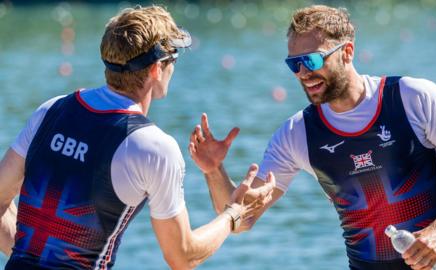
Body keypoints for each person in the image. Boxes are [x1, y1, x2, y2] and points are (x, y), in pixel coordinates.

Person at [188, 4, 436, 270]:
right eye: (294, 64)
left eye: (312, 61)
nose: (303, 73)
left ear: (347, 52)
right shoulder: (295, 134)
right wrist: (214, 170)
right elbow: (242, 219)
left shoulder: (413, 97)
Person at [0, 5, 275, 270]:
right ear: (156, 69)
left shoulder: (51, 110)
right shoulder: (153, 147)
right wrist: (232, 214)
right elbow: (183, 257)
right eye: (173, 60)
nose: (173, 68)